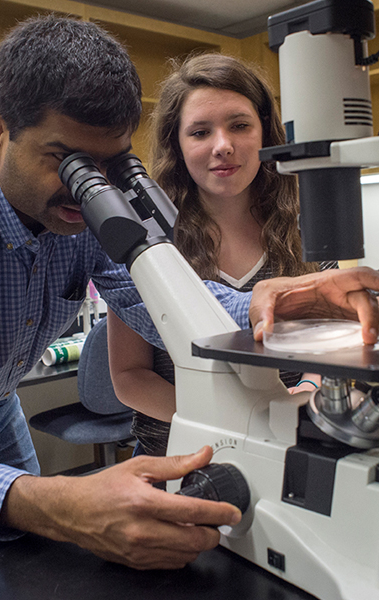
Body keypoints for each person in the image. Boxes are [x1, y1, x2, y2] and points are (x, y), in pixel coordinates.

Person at [0, 14, 379, 571]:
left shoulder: (78, 210)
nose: (85, 186)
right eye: (65, 160)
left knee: (18, 569)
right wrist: (65, 503)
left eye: (107, 164)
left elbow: (163, 304)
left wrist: (279, 302)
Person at [108, 54, 331, 457]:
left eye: (240, 125)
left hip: (287, 447)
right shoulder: (147, 236)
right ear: (177, 144)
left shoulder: (310, 225)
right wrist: (233, 418)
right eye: (200, 132)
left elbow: (326, 342)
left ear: (265, 132)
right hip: (179, 454)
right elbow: (128, 376)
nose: (223, 146)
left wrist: (311, 386)